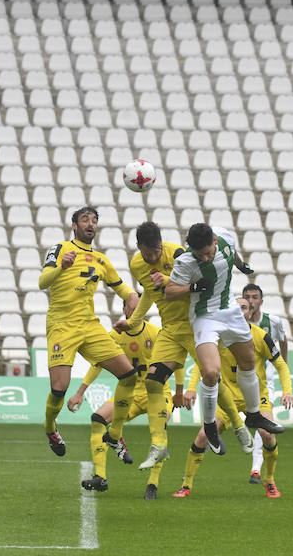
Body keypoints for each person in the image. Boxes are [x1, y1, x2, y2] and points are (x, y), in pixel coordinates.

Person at [111, 222, 251, 472]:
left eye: (156, 251)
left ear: (161, 244)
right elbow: (150, 295)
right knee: (153, 380)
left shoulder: (179, 254)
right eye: (148, 253)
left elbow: (197, 288)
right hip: (170, 329)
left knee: (212, 377)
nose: (153, 257)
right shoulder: (136, 264)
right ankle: (159, 444)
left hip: (193, 323)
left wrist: (168, 281)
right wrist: (133, 322)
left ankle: (239, 427)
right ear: (138, 247)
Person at [146, 223, 283, 469]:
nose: (206, 257)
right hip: (203, 316)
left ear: (214, 241)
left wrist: (241, 266)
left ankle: (253, 415)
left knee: (249, 360)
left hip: (229, 309)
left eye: (209, 252)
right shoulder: (186, 261)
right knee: (210, 372)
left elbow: (235, 252)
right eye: (202, 255)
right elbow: (169, 292)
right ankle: (209, 425)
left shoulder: (226, 238)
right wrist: (193, 287)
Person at [39, 206, 140, 463]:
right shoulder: (60, 249)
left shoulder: (101, 260)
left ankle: (115, 432)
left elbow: (120, 286)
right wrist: (61, 266)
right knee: (59, 389)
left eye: (94, 220)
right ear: (74, 225)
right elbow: (43, 282)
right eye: (85, 219)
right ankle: (50, 428)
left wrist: (131, 295)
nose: (91, 224)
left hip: (90, 326)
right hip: (62, 326)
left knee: (128, 376)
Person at [172, 297, 293, 499]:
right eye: (236, 307)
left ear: (250, 312)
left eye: (244, 307)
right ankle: (186, 485)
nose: (240, 310)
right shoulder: (217, 335)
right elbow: (203, 364)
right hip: (226, 396)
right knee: (203, 436)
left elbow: (280, 364)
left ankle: (270, 480)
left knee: (268, 435)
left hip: (255, 396)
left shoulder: (261, 336)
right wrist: (191, 388)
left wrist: (287, 390)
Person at [68, 300, 184, 499]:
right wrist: (80, 392)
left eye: (139, 305)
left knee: (160, 429)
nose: (134, 309)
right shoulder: (115, 335)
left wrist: (179, 392)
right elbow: (97, 364)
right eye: (130, 305)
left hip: (157, 393)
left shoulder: (155, 333)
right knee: (98, 418)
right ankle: (100, 476)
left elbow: (178, 362)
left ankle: (152, 484)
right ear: (124, 309)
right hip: (130, 393)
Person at [241, 283, 289, 484]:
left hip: (263, 381)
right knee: (214, 424)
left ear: (261, 300)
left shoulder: (273, 322)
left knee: (264, 424)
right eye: (247, 297)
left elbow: (283, 341)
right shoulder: (236, 320)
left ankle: (256, 469)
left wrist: (283, 365)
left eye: (254, 297)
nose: (251, 301)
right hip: (237, 380)